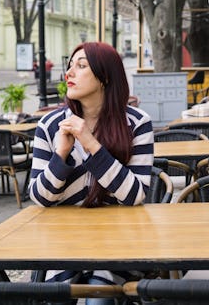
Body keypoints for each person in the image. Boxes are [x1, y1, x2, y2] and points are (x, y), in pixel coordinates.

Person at [28, 41, 154, 305]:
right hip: (64, 245)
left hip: (120, 244)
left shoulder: (136, 124)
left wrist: (92, 145)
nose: (69, 73)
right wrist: (60, 156)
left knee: (99, 299)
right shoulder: (50, 126)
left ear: (105, 77)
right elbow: (40, 198)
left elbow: (135, 195)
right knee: (56, 296)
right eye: (70, 66)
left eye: (81, 66)